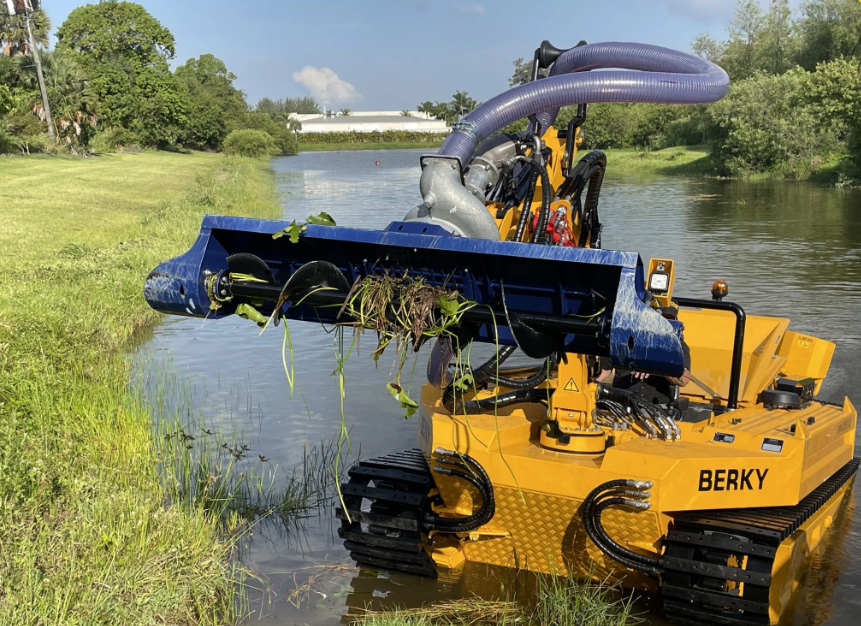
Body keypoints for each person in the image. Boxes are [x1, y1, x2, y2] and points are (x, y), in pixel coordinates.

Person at [596, 304, 691, 406]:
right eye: (661, 319)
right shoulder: (622, 340)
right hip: (621, 403)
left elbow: (683, 380)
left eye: (669, 320)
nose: (665, 324)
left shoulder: (678, 347)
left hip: (656, 407)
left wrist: (655, 365)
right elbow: (604, 372)